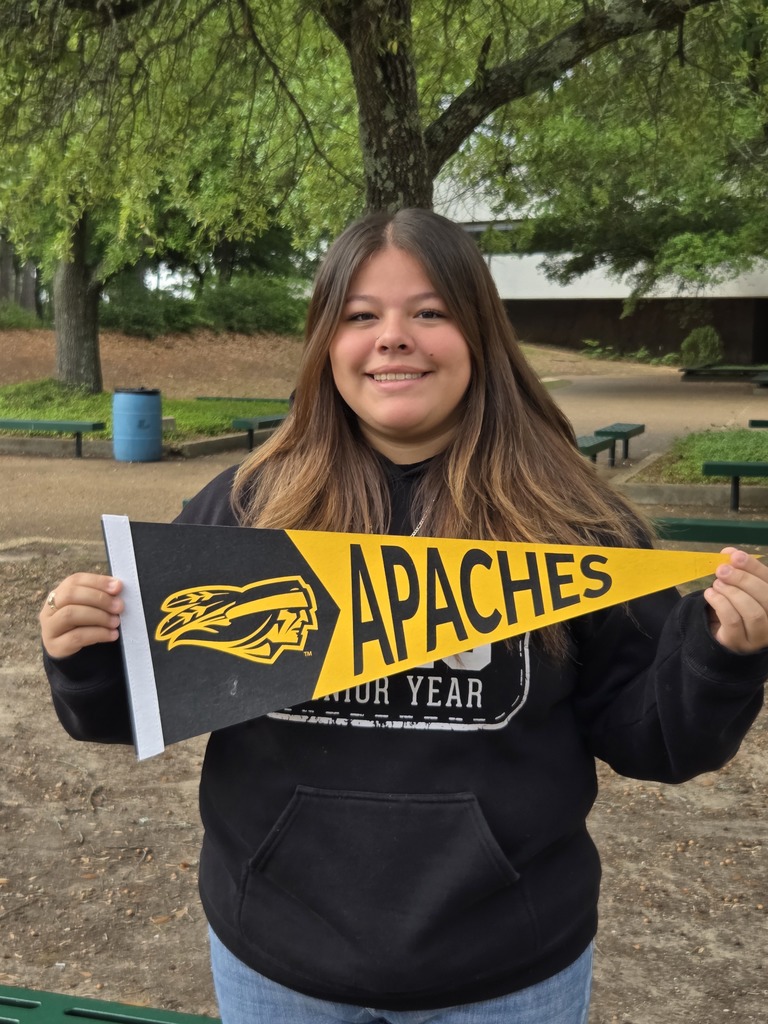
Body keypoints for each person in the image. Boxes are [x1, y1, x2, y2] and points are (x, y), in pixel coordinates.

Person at [40, 208, 768, 1024]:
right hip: (279, 964)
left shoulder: (576, 522)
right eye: (361, 315)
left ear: (481, 335)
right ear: (326, 343)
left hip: (507, 974)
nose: (393, 338)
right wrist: (87, 654)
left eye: (430, 312)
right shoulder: (245, 504)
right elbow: (131, 700)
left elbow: (655, 739)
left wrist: (719, 658)